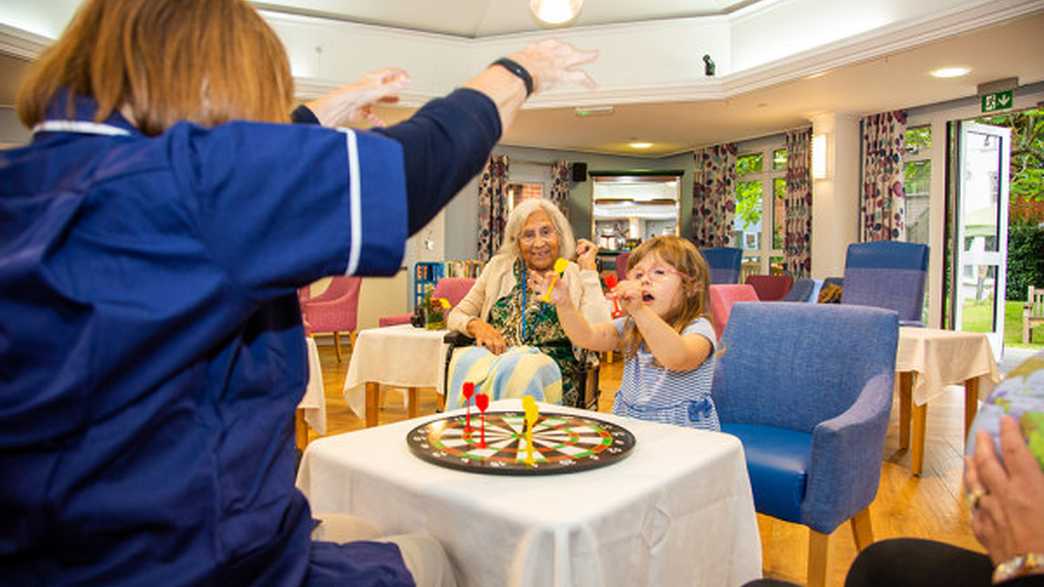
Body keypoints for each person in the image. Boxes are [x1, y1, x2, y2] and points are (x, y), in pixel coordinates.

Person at [0, 1, 597, 586]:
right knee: (434, 557)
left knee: (358, 524)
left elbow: (224, 198)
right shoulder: (192, 187)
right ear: (217, 79)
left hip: (50, 548)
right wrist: (520, 71)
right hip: (195, 559)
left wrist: (315, 117)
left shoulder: (31, 181)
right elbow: (415, 163)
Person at [538, 235, 720, 430]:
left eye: (659, 272)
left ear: (691, 287)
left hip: (684, 436)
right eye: (638, 275)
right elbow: (586, 336)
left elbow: (677, 358)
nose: (645, 281)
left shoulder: (698, 328)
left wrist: (640, 311)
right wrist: (564, 304)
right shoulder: (631, 326)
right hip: (633, 427)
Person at [446, 199, 610, 408]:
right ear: (516, 242)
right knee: (466, 359)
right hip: (497, 362)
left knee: (525, 367)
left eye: (546, 232)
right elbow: (456, 315)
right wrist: (476, 325)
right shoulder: (498, 268)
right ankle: (470, 429)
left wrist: (588, 270)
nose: (538, 243)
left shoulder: (576, 274)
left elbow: (601, 332)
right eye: (528, 235)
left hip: (553, 373)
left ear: (559, 235)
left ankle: (518, 431)